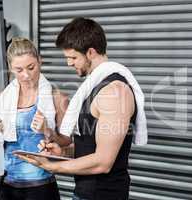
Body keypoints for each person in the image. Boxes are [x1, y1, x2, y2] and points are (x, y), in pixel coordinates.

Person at [16, 17, 148, 200]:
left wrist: (52, 166)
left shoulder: (115, 92)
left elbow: (103, 162)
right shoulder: (93, 89)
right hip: (85, 193)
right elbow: (89, 147)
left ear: (91, 52)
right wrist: (61, 153)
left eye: (73, 57)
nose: (69, 63)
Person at [0, 37, 71, 200]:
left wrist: (47, 130)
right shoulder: (1, 100)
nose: (26, 75)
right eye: (19, 70)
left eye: (31, 67)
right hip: (6, 184)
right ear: (10, 68)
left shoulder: (57, 99)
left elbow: (67, 141)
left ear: (40, 61)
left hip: (40, 185)